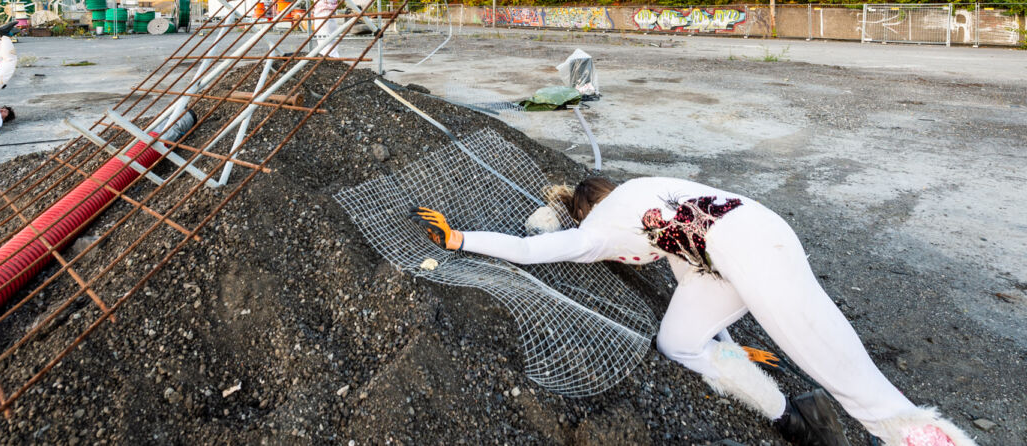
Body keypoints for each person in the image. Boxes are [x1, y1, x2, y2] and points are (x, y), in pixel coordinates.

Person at [412, 176, 977, 446]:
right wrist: (729, 346)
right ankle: (795, 416)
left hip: (750, 251)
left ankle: (922, 436)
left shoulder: (597, 229)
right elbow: (694, 267)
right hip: (745, 241)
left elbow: (536, 249)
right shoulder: (646, 193)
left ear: (585, 211)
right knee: (678, 341)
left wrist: (462, 238)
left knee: (851, 378)